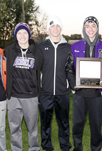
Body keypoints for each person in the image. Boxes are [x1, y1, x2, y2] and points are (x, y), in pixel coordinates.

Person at [66, 16, 102, 151]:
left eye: (93, 26)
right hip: (79, 93)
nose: (90, 29)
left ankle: (96, 148)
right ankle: (77, 147)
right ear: (84, 28)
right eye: (87, 26)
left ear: (97, 28)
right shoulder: (75, 47)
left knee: (96, 125)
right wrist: (73, 83)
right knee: (77, 124)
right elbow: (68, 68)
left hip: (96, 94)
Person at [4, 22, 42, 151]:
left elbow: (43, 70)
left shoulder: (37, 52)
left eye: (25, 32)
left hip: (30, 96)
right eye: (19, 33)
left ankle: (34, 148)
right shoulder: (9, 51)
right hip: (13, 96)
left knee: (33, 128)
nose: (22, 36)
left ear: (29, 35)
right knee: (14, 127)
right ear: (15, 35)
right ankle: (16, 149)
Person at [37, 16, 72, 151]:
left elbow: (73, 69)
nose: (55, 28)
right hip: (45, 92)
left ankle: (65, 146)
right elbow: (36, 67)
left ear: (61, 28)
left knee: (63, 122)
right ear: (48, 29)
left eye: (58, 26)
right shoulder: (41, 46)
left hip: (63, 92)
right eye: (52, 26)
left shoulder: (68, 47)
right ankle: (46, 146)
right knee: (45, 122)